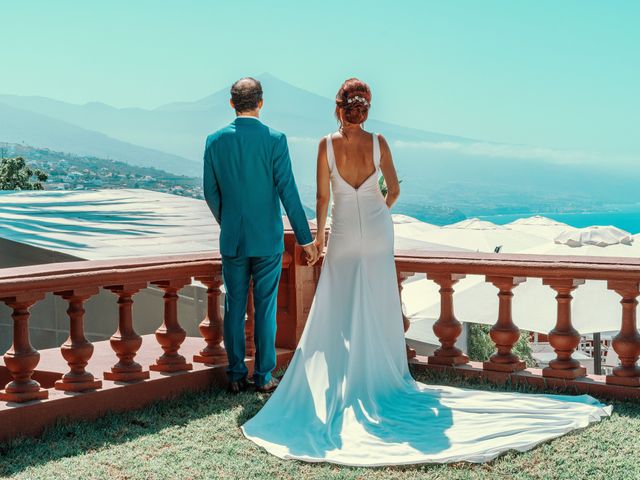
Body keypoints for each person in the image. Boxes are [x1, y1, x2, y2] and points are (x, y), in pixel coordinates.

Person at [241, 78, 611, 465]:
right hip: (378, 229)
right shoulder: (379, 143)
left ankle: (347, 378)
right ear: (365, 109)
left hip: (345, 232)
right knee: (379, 302)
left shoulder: (325, 146)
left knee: (338, 306)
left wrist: (321, 239)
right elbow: (395, 190)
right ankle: (380, 374)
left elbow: (322, 197)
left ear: (338, 107)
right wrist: (378, 207)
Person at [203, 77, 318, 394]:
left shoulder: (214, 141)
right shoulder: (275, 140)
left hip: (233, 240)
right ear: (261, 103)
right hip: (267, 240)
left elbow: (210, 192)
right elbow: (289, 194)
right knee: (265, 308)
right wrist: (306, 241)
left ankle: (236, 374)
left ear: (231, 104)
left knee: (234, 307)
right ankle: (264, 376)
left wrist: (227, 221)